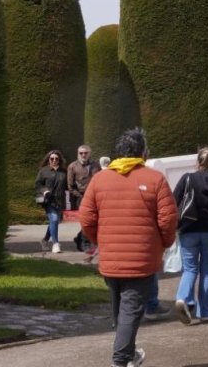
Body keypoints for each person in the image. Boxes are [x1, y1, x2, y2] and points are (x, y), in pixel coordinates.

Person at [79, 127, 177, 367]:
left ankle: (128, 354)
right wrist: (164, 243)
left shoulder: (100, 179)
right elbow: (168, 219)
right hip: (141, 259)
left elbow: (86, 218)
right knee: (130, 312)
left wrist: (100, 240)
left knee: (121, 312)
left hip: (111, 258)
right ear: (142, 152)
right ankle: (121, 360)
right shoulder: (155, 179)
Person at [172, 146, 208, 325]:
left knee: (190, 269)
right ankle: (205, 312)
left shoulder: (187, 178)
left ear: (197, 161)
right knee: (207, 271)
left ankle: (184, 298)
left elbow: (174, 200)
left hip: (189, 228)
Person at [67, 144, 99, 252]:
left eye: (86, 153)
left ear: (90, 153)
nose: (83, 155)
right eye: (81, 153)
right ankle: (85, 243)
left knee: (94, 220)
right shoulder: (72, 166)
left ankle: (78, 238)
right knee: (86, 220)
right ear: (78, 154)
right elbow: (70, 186)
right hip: (81, 197)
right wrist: (80, 196)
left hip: (95, 196)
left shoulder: (96, 165)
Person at [35, 149, 67, 254]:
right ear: (49, 159)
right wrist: (44, 191)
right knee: (54, 218)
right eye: (52, 158)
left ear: (59, 160)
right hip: (48, 200)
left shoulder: (63, 171)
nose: (54, 160)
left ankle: (44, 240)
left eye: (56, 159)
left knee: (54, 221)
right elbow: (38, 184)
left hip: (59, 200)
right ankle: (56, 244)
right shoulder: (43, 171)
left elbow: (67, 185)